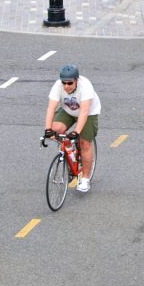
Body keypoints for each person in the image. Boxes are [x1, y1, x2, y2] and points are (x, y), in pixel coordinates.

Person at [44, 64, 100, 192]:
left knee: (84, 143)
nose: (66, 86)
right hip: (68, 111)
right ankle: (68, 148)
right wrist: (47, 129)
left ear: (76, 80)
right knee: (55, 129)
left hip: (88, 113)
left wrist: (76, 132)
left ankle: (85, 179)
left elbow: (84, 111)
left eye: (70, 83)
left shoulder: (85, 86)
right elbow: (51, 108)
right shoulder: (58, 86)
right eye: (64, 83)